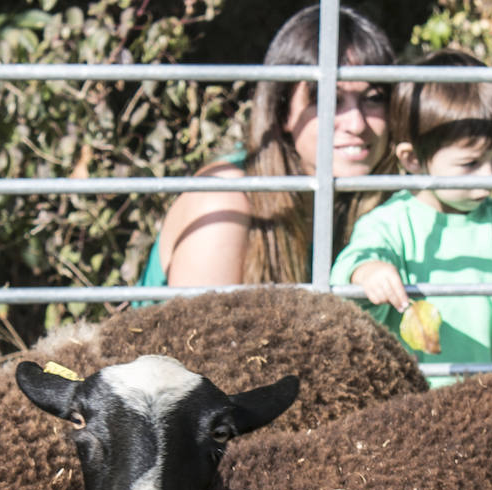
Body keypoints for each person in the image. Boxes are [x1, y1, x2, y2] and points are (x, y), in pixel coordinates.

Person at [329, 49, 492, 382]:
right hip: (409, 408)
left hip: (489, 403)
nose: (491, 176)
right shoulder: (390, 224)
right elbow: (348, 282)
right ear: (412, 160)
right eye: (470, 164)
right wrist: (366, 274)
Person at [136, 4, 394, 291]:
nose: (357, 124)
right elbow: (192, 336)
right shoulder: (223, 200)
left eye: (373, 98)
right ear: (282, 111)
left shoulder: (384, 204)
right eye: (329, 101)